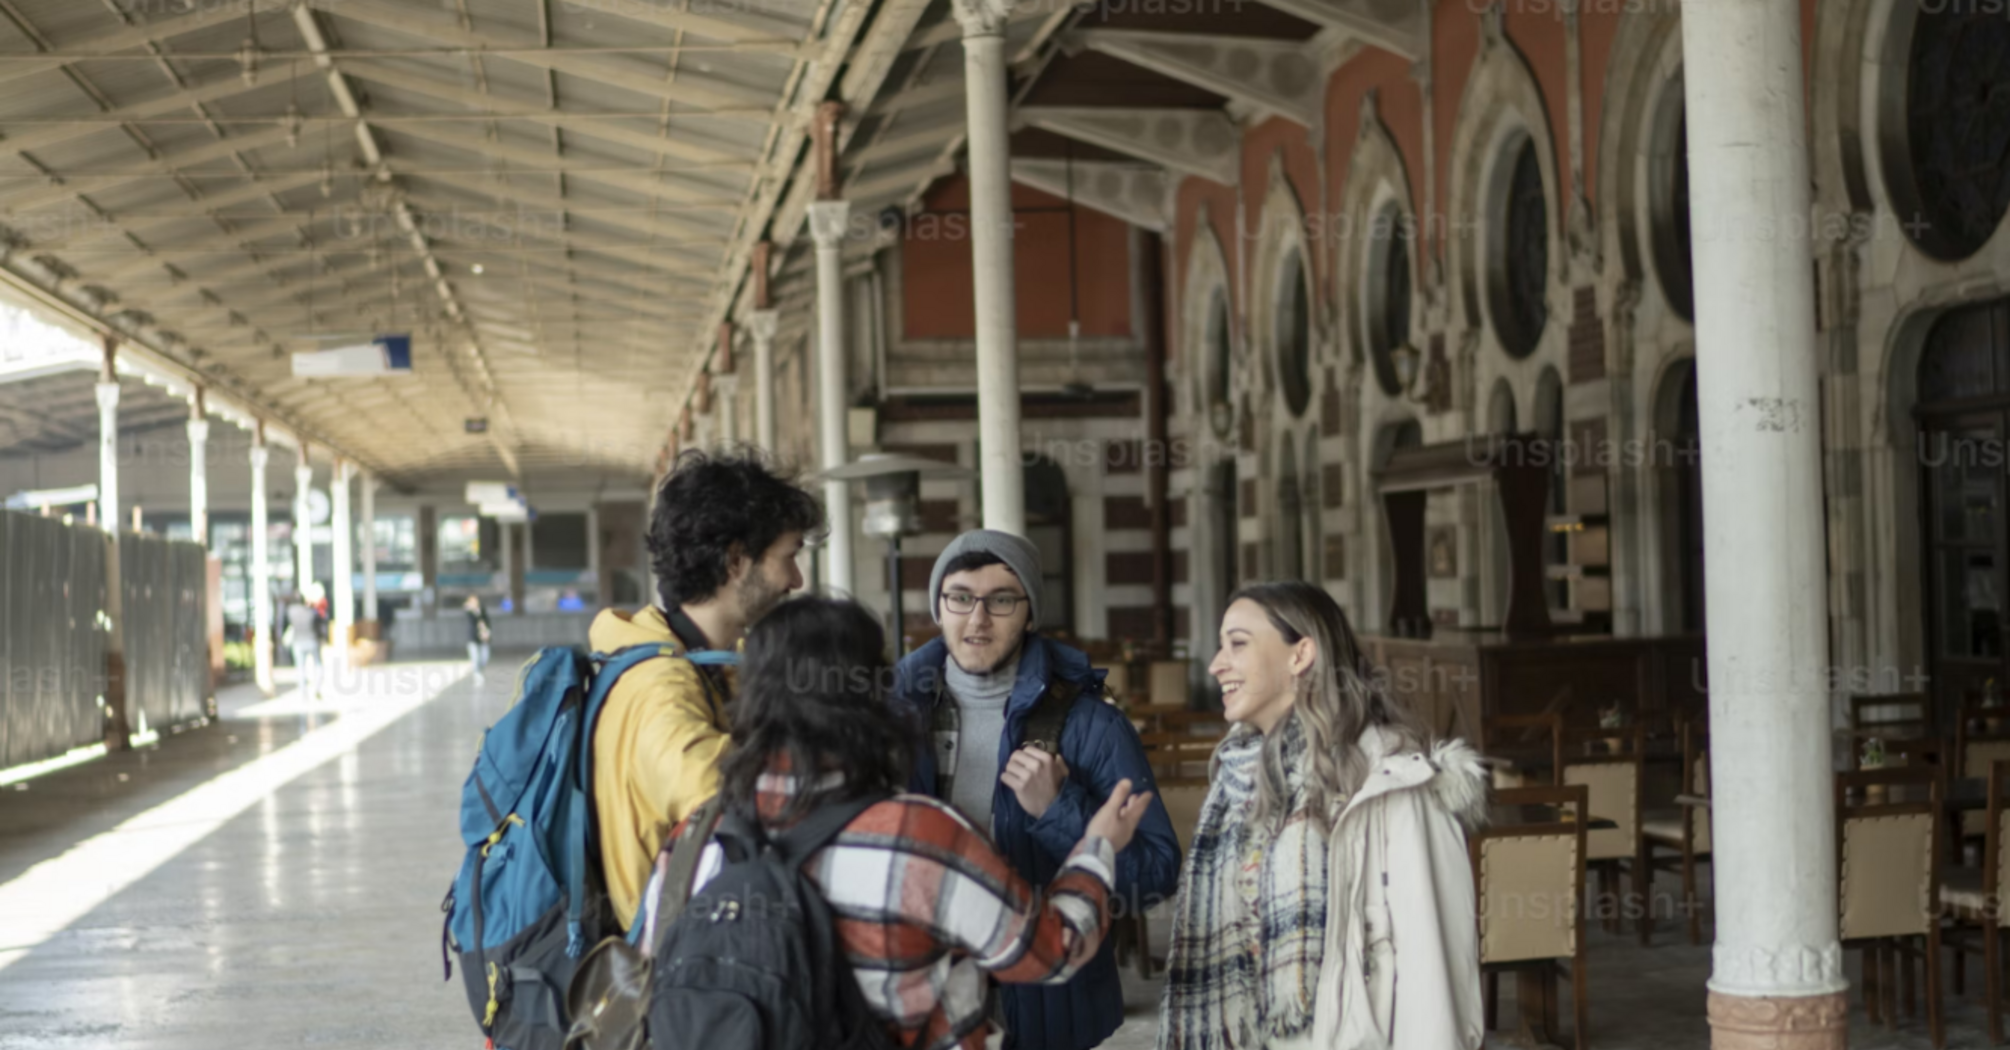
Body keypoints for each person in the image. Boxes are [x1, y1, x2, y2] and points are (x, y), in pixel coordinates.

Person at [679, 596, 1155, 1050]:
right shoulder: (917, 837)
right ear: (871, 697)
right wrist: (1095, 848)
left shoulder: (697, 835)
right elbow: (1053, 950)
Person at [1158, 581, 1487, 1050]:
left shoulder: (1388, 785)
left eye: (1237, 644)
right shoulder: (1235, 779)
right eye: (1219, 645)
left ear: (1300, 655)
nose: (1216, 664)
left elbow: (1433, 970)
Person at [892, 529, 1182, 1050]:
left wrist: (1058, 810)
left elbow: (1156, 876)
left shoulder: (1090, 726)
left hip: (1048, 1011)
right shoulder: (889, 718)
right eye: (960, 597)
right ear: (938, 608)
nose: (977, 618)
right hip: (920, 1003)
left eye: (1001, 600)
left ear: (1030, 614)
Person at [588, 448, 824, 931]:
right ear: (737, 560)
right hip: (676, 972)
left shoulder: (698, 662)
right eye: (790, 556)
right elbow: (722, 794)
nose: (797, 581)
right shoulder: (658, 686)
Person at [284, 590, 323, 700]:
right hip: (311, 640)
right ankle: (317, 688)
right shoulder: (310, 611)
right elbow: (318, 622)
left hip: (297, 642)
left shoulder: (290, 611)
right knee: (318, 665)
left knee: (300, 668)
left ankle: (303, 693)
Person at [464, 595, 492, 684]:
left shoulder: (482, 611)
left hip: (483, 638)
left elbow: (487, 622)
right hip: (473, 639)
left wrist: (486, 632)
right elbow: (473, 621)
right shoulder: (469, 613)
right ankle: (477, 674)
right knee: (475, 658)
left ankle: (478, 670)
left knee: (484, 658)